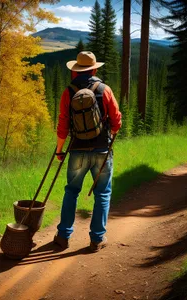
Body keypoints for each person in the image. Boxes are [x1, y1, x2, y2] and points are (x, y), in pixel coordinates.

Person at [54, 51, 122, 252]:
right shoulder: (105, 89)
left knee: (71, 191)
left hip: (77, 150)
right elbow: (117, 119)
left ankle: (63, 236)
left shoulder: (69, 91)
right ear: (94, 69)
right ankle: (97, 239)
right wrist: (110, 132)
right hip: (102, 150)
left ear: (76, 70)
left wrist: (60, 150)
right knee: (102, 194)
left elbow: (63, 125)